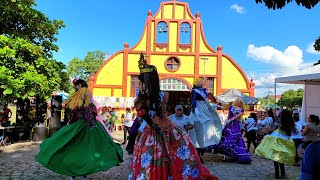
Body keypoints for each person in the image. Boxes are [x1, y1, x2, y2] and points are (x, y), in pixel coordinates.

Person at [129, 53, 217, 180]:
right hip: (153, 132)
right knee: (154, 156)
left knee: (176, 154)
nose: (142, 82)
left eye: (144, 79)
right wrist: (155, 126)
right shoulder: (142, 99)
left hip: (168, 130)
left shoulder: (163, 95)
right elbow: (144, 116)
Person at [35, 81, 123, 180]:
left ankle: (73, 176)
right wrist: (92, 126)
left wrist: (70, 129)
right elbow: (91, 117)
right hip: (91, 131)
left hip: (78, 130)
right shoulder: (91, 106)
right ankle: (84, 175)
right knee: (88, 152)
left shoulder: (77, 106)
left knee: (74, 151)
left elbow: (73, 119)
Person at [189, 78, 223, 163]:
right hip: (198, 110)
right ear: (196, 83)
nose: (200, 83)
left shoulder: (204, 91)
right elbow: (193, 101)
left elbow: (206, 101)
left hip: (204, 109)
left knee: (209, 124)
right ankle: (197, 154)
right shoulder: (194, 91)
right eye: (199, 82)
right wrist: (195, 110)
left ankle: (204, 147)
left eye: (201, 82)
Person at [255, 109, 297, 179]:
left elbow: (276, 127)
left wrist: (270, 130)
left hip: (277, 139)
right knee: (281, 157)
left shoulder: (280, 121)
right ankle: (283, 173)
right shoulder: (290, 122)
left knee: (275, 157)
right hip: (285, 140)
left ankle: (277, 174)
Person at [210, 98, 251, 164]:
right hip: (229, 126)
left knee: (236, 139)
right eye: (237, 101)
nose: (238, 102)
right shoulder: (231, 107)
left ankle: (234, 156)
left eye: (240, 102)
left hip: (235, 126)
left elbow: (237, 116)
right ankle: (225, 156)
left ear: (241, 103)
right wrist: (228, 121)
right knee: (227, 138)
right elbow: (230, 115)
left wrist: (230, 120)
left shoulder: (241, 110)